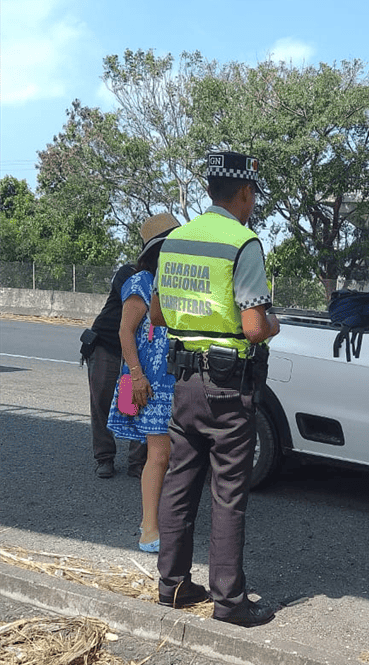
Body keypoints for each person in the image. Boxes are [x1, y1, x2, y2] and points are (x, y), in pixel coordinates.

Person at [150, 151, 280, 626]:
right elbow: (251, 326)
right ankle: (229, 602)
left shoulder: (175, 240)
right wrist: (273, 324)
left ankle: (174, 586)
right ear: (244, 193)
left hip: (183, 381)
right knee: (228, 492)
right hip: (228, 386)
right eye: (252, 197)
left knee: (180, 482)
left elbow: (158, 315)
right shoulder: (243, 243)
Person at [106, 213, 180, 552]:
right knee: (160, 453)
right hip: (151, 382)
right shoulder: (141, 282)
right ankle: (149, 527)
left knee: (172, 454)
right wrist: (136, 376)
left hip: (175, 377)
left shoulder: (176, 281)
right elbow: (125, 331)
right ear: (159, 250)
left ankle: (158, 519)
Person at [81, 255, 148, 480]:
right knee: (102, 401)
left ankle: (138, 462)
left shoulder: (165, 279)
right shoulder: (128, 273)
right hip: (107, 344)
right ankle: (104, 458)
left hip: (139, 350)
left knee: (140, 403)